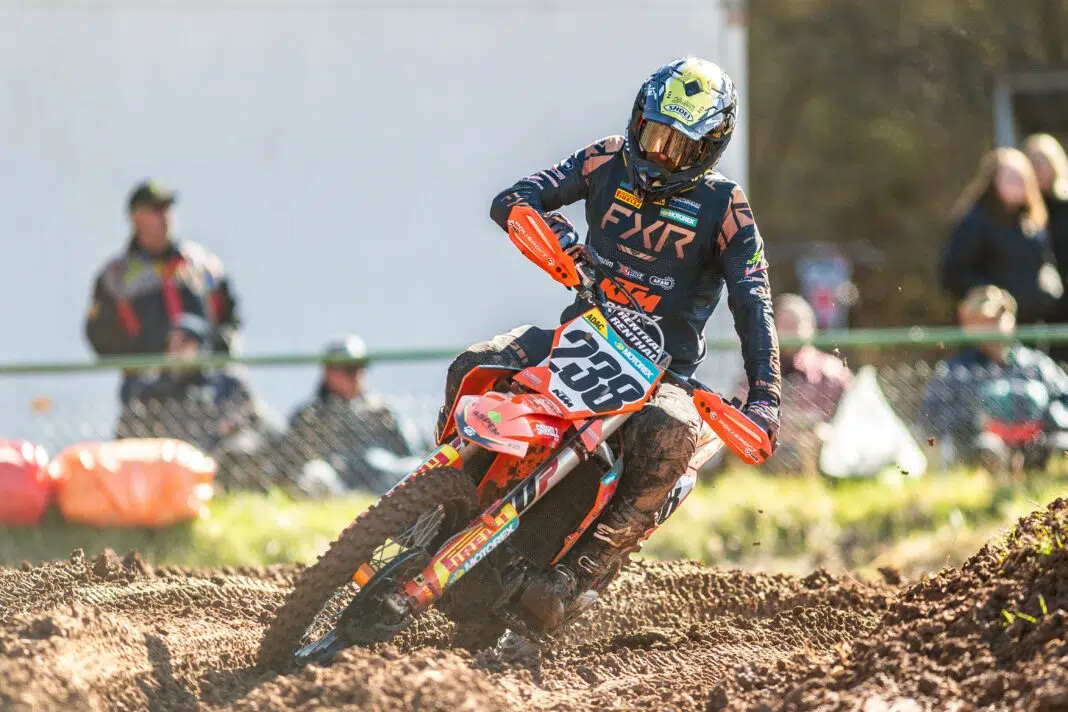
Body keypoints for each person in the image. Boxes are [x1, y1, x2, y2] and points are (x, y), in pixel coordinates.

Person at [443, 57, 781, 630]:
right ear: (637, 118)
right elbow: (514, 198)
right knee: (474, 363)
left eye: (678, 147)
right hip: (581, 335)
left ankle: (577, 576)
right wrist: (558, 237)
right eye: (652, 134)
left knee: (672, 435)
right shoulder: (606, 157)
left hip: (661, 372)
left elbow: (755, 303)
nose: (658, 155)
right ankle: (443, 494)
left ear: (709, 149)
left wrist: (766, 397)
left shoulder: (727, 208)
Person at [84, 180, 242, 387]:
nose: (165, 216)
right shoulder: (116, 276)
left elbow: (229, 316)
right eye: (155, 210)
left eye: (168, 208)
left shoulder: (201, 263)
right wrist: (143, 358)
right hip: (149, 382)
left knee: (238, 389)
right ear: (135, 218)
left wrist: (211, 352)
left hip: (206, 377)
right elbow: (99, 334)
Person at [919, 285, 1068, 474]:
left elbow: (1064, 400)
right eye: (980, 320)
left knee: (1063, 447)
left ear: (1010, 319)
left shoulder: (1037, 365)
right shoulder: (955, 371)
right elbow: (932, 419)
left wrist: (1045, 421)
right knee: (984, 450)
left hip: (1038, 445)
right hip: (984, 448)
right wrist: (976, 421)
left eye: (995, 319)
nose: (989, 326)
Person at [271, 336, 421, 495]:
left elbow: (409, 453)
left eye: (359, 368)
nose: (356, 375)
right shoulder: (311, 415)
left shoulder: (382, 410)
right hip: (336, 485)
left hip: (382, 482)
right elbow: (289, 462)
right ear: (329, 372)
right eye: (349, 369)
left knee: (415, 468)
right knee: (316, 475)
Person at [116, 314, 268, 458]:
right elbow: (127, 434)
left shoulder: (225, 386)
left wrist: (228, 433)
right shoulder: (149, 392)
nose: (175, 349)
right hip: (164, 466)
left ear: (201, 347)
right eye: (170, 343)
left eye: (184, 342)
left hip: (218, 463)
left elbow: (253, 426)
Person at [939, 148, 1062, 325]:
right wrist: (992, 295)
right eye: (1011, 178)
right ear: (993, 181)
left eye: (1022, 179)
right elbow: (953, 272)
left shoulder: (1032, 224)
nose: (1017, 184)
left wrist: (1048, 291)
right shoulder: (975, 223)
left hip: (1033, 325)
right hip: (990, 327)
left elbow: (1044, 265)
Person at [756, 293, 851, 473]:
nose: (789, 331)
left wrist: (824, 431)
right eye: (783, 324)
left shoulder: (833, 372)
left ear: (811, 328)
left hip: (818, 453)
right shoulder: (757, 371)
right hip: (769, 452)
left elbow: (851, 418)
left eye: (795, 324)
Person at [1023, 134, 1068, 361]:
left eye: (1042, 162)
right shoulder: (1019, 210)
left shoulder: (1064, 206)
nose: (1037, 169)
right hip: (1033, 306)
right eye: (1032, 163)